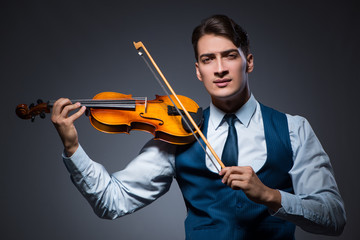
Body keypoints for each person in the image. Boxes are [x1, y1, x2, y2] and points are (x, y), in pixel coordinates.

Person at [51, 15, 346, 239]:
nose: (219, 68)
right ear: (198, 71)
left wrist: (271, 196)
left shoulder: (294, 129)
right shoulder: (177, 131)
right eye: (208, 59)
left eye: (230, 55)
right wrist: (73, 148)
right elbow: (111, 202)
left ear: (249, 62)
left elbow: (333, 217)